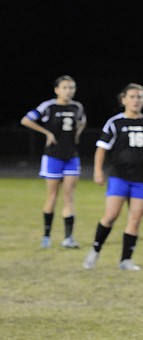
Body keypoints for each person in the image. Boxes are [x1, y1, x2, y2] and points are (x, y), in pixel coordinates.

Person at [83, 83, 143, 271]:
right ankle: (95, 250)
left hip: (140, 179)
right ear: (124, 99)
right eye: (132, 96)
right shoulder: (115, 123)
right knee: (110, 217)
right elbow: (101, 148)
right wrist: (97, 171)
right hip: (119, 177)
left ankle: (125, 260)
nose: (136, 100)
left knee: (135, 219)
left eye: (139, 97)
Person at [21, 75, 87, 249]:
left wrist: (78, 133)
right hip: (53, 156)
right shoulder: (48, 106)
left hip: (71, 156)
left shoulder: (77, 106)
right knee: (52, 196)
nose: (69, 91)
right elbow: (26, 120)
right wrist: (47, 133)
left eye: (72, 87)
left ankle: (68, 238)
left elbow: (82, 121)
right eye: (65, 87)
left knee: (69, 197)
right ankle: (46, 236)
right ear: (57, 89)